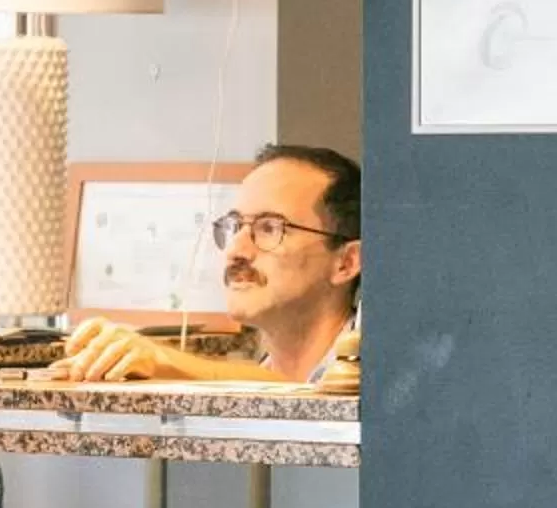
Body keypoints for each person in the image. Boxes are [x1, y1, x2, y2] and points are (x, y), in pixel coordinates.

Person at [50, 142, 362, 387]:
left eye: (270, 228)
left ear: (346, 263)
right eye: (234, 225)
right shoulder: (254, 381)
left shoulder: (384, 380)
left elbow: (310, 396)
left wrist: (161, 359)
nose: (236, 249)